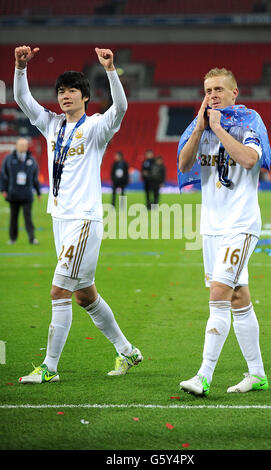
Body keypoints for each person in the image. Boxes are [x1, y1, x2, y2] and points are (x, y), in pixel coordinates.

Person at [14, 45, 143, 384]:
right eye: (61, 91)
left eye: (72, 90)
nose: (65, 96)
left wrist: (111, 70)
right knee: (86, 296)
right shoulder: (51, 125)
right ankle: (128, 351)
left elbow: (122, 107)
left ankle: (49, 368)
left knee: (59, 291)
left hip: (84, 220)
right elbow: (24, 101)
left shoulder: (97, 127)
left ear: (85, 97)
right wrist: (20, 68)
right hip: (60, 219)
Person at [178, 68, 271, 396]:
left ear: (235, 93)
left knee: (218, 294)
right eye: (207, 90)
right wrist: (202, 128)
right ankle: (257, 374)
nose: (213, 95)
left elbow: (249, 160)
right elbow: (183, 165)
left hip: (241, 224)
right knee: (237, 297)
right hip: (212, 228)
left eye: (219, 89)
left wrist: (219, 128)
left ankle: (203, 376)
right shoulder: (199, 127)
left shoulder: (250, 123)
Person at [0, 137, 41, 245]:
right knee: (13, 217)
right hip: (13, 193)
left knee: (28, 217)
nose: (23, 147)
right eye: (21, 145)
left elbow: (35, 178)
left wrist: (38, 192)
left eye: (24, 145)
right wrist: (3, 189)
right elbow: (3, 175)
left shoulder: (32, 160)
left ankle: (32, 238)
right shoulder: (9, 159)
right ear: (16, 146)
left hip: (27, 194)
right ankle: (12, 239)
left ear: (27, 146)